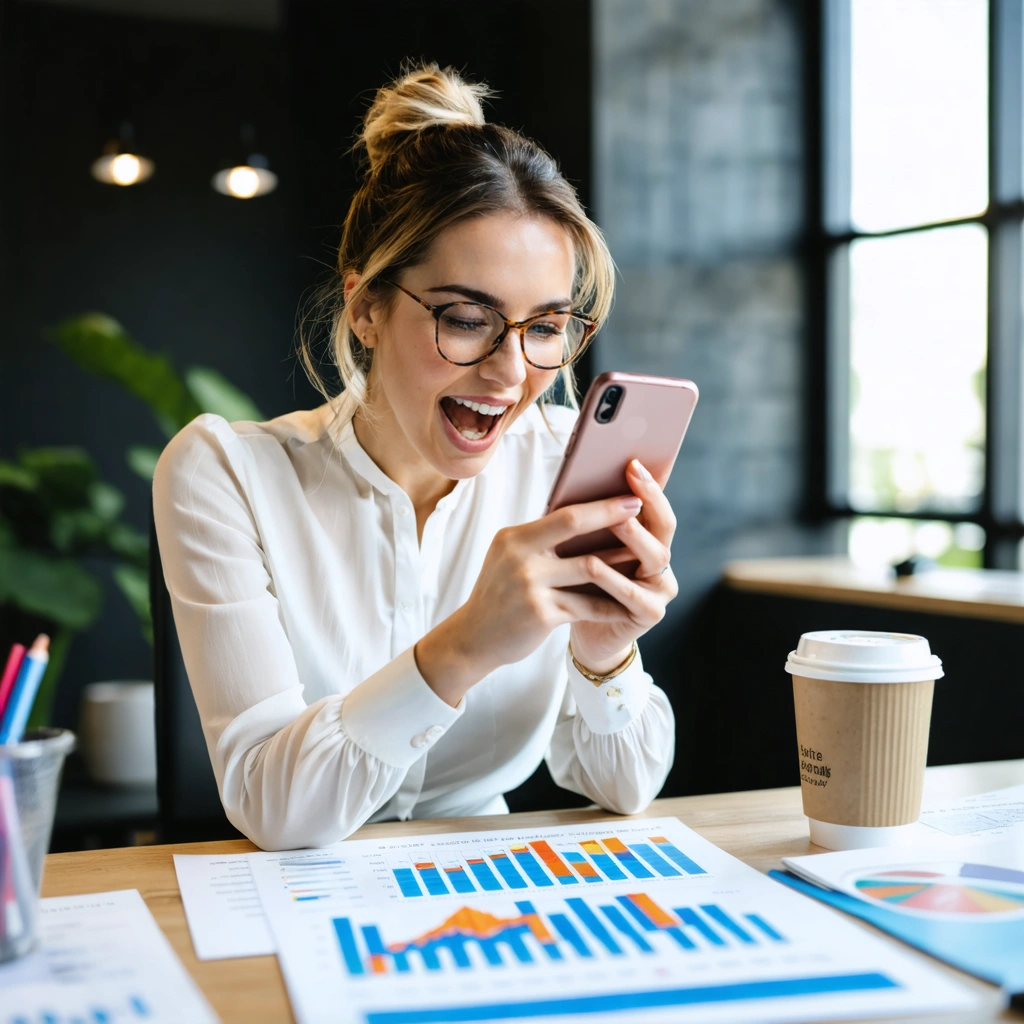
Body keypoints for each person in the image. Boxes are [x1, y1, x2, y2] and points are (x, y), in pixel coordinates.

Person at [153, 64, 678, 852]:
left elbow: (626, 786)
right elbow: (272, 806)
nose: (510, 373)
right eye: (466, 319)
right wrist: (467, 642)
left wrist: (606, 653)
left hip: (484, 886)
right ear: (365, 307)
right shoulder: (225, 474)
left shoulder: (558, 468)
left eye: (545, 327)